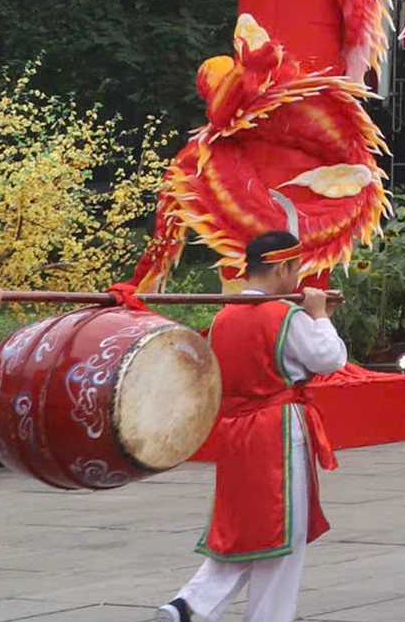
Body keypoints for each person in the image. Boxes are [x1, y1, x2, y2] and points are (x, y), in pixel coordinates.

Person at [153, 230, 347, 622]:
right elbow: (329, 358)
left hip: (235, 432)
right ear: (281, 268)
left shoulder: (224, 317)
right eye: (295, 269)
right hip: (277, 432)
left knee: (245, 528)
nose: (298, 278)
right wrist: (320, 318)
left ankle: (190, 604)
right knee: (283, 534)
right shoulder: (284, 315)